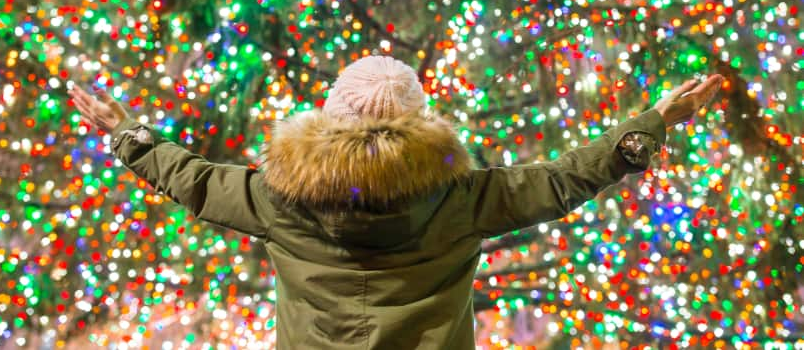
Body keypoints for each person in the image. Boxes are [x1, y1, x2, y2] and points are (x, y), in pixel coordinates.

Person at [68, 56, 723, 349]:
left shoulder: (276, 197)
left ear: (327, 119)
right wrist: (651, 123)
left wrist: (128, 133)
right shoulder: (463, 197)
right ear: (421, 126)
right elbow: (562, 180)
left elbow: (192, 179)